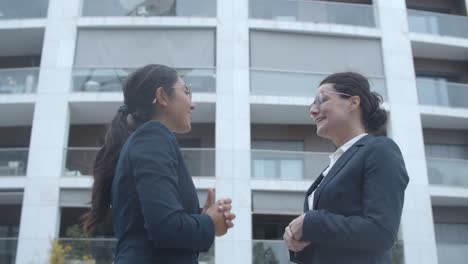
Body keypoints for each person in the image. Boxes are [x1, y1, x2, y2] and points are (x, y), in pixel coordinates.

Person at [82, 64, 235, 263]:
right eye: (186, 91)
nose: (192, 103)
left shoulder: (143, 141)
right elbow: (166, 228)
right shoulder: (153, 137)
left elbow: (154, 226)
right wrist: (209, 223)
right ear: (162, 96)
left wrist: (201, 218)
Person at [283, 72, 409, 264]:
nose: (313, 111)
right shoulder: (331, 167)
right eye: (312, 105)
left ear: (353, 103)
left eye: (322, 100)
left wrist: (310, 223)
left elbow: (381, 232)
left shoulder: (379, 150)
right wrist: (297, 239)